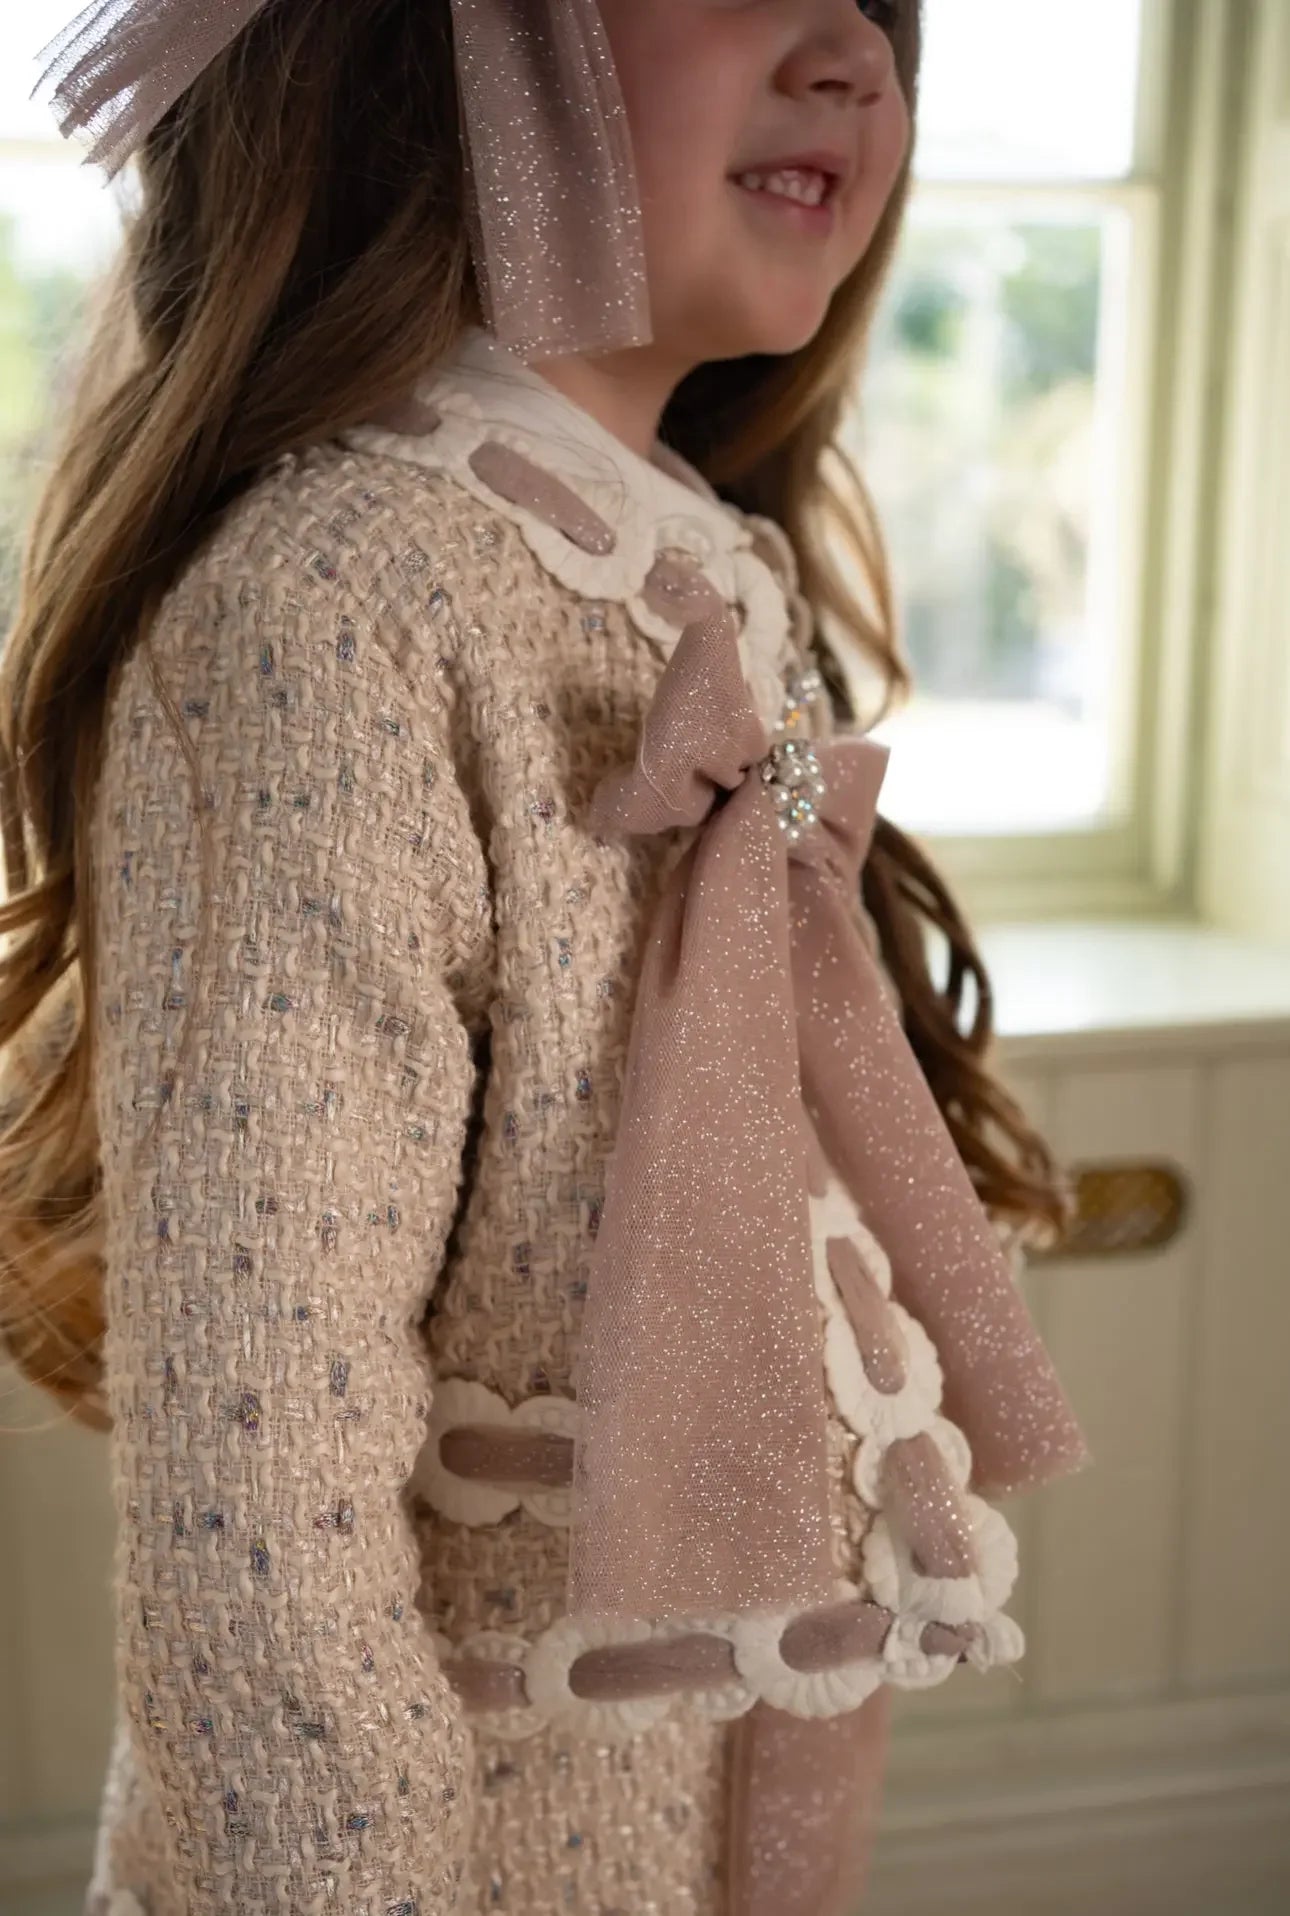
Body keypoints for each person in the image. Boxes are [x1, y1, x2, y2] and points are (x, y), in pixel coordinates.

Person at [0, 3, 1091, 1912]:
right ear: (439, 48)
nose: (854, 51)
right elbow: (260, 1502)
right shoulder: (333, 605)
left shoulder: (704, 567)